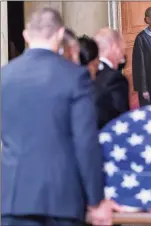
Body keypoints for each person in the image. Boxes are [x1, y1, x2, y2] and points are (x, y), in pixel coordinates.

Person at [1, 8, 111, 226]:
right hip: (61, 201)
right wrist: (96, 200)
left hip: (12, 200)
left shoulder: (4, 77)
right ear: (61, 34)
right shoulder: (75, 76)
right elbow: (85, 141)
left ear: (26, 35)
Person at [93, 27, 130, 129]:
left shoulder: (86, 71)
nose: (123, 52)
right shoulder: (115, 79)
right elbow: (122, 120)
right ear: (114, 47)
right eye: (122, 47)